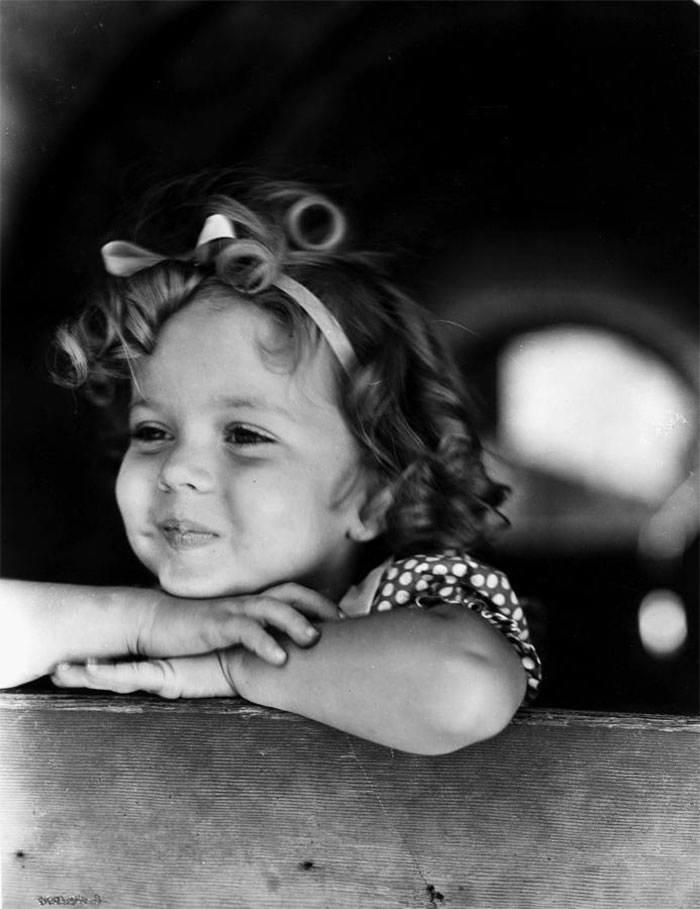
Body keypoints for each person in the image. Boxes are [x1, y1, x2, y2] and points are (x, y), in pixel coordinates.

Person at [0, 181, 541, 754]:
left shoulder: (414, 606)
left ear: (375, 497)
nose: (178, 469)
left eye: (245, 436)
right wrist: (148, 623)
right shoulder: (136, 622)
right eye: (153, 432)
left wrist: (235, 669)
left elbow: (460, 690)